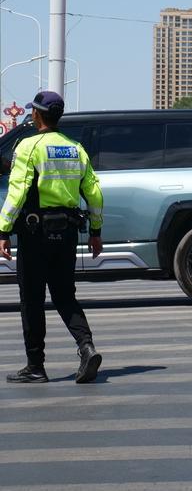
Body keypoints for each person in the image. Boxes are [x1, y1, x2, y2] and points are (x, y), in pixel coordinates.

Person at [0, 91, 104, 384]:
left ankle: (36, 367)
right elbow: (94, 193)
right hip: (67, 232)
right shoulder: (75, 148)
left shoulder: (28, 146)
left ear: (36, 114)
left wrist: (3, 231)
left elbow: (17, 192)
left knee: (32, 299)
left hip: (35, 234)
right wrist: (96, 232)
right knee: (64, 295)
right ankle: (86, 347)